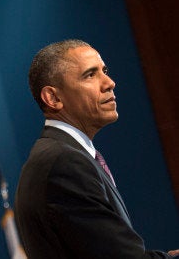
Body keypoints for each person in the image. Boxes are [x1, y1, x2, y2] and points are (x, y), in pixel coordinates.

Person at [14, 39, 178, 258]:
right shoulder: (64, 163)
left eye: (104, 71)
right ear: (53, 98)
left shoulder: (65, 155)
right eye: (90, 75)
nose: (109, 82)